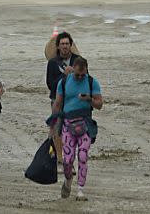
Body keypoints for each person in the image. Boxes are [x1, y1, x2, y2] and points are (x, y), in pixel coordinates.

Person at [50, 56, 103, 201]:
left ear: (86, 70)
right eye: (77, 74)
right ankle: (68, 181)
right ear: (73, 69)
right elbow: (57, 104)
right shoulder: (64, 82)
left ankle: (80, 190)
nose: (80, 77)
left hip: (85, 124)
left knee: (83, 157)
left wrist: (89, 99)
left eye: (82, 74)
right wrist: (53, 124)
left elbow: (100, 104)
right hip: (67, 124)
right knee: (68, 160)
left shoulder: (92, 82)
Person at [46, 31, 80, 162]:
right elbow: (50, 85)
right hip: (57, 100)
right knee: (58, 129)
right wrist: (64, 75)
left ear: (70, 45)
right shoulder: (53, 63)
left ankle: (70, 156)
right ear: (58, 47)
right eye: (62, 44)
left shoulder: (79, 61)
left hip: (74, 100)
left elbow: (86, 79)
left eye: (67, 43)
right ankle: (60, 158)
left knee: (74, 129)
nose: (65, 46)